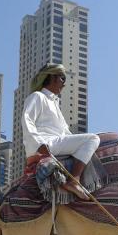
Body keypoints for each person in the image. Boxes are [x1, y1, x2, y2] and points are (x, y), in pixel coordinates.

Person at [22, 63, 100, 200]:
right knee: (93, 139)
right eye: (62, 78)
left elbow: (66, 134)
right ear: (52, 77)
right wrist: (39, 143)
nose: (64, 84)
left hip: (56, 143)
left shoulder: (54, 103)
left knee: (93, 142)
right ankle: (74, 181)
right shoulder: (38, 96)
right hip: (45, 144)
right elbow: (26, 119)